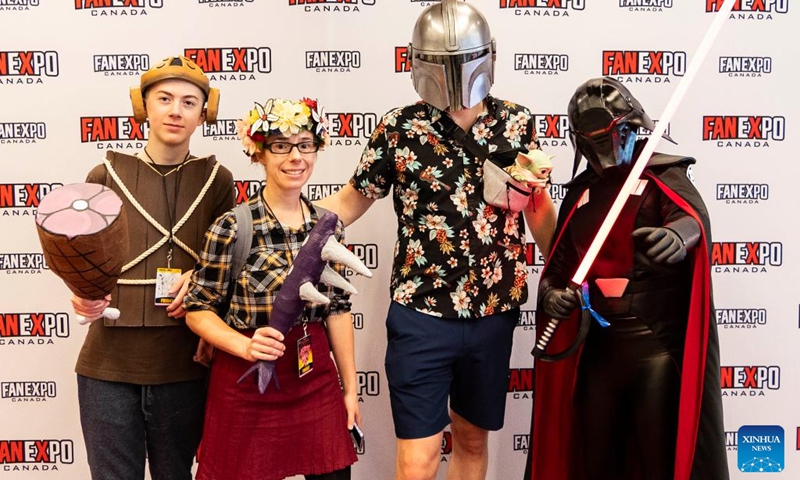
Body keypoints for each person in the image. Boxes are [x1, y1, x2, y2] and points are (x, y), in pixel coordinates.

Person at [315, 1, 557, 479]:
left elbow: (537, 207)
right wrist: (294, 228)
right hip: (421, 312)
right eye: (441, 64)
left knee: (471, 440)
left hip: (494, 309)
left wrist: (566, 264)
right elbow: (353, 198)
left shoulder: (517, 123)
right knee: (419, 455)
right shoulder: (399, 128)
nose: (454, 76)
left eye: (463, 61)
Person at [525, 77, 728, 480]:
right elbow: (558, 267)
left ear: (631, 127)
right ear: (579, 142)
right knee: (596, 461)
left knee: (657, 460)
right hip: (598, 354)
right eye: (592, 140)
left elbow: (694, 220)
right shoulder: (582, 193)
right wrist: (551, 297)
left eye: (611, 135)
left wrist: (678, 235)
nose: (604, 152)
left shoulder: (662, 175)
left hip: (655, 351)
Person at [70, 56, 235, 480]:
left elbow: (229, 265)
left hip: (183, 365)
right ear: (143, 107)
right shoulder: (105, 174)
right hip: (107, 367)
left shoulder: (217, 180)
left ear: (205, 112)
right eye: (164, 99)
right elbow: (83, 260)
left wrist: (198, 280)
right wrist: (82, 291)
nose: (175, 110)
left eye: (188, 101)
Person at [183, 97, 360, 480]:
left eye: (305, 145)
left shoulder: (330, 227)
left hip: (314, 376)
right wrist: (244, 345)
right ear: (259, 154)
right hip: (245, 376)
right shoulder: (233, 226)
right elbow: (198, 309)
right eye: (280, 146)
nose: (295, 157)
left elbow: (338, 310)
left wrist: (350, 388)